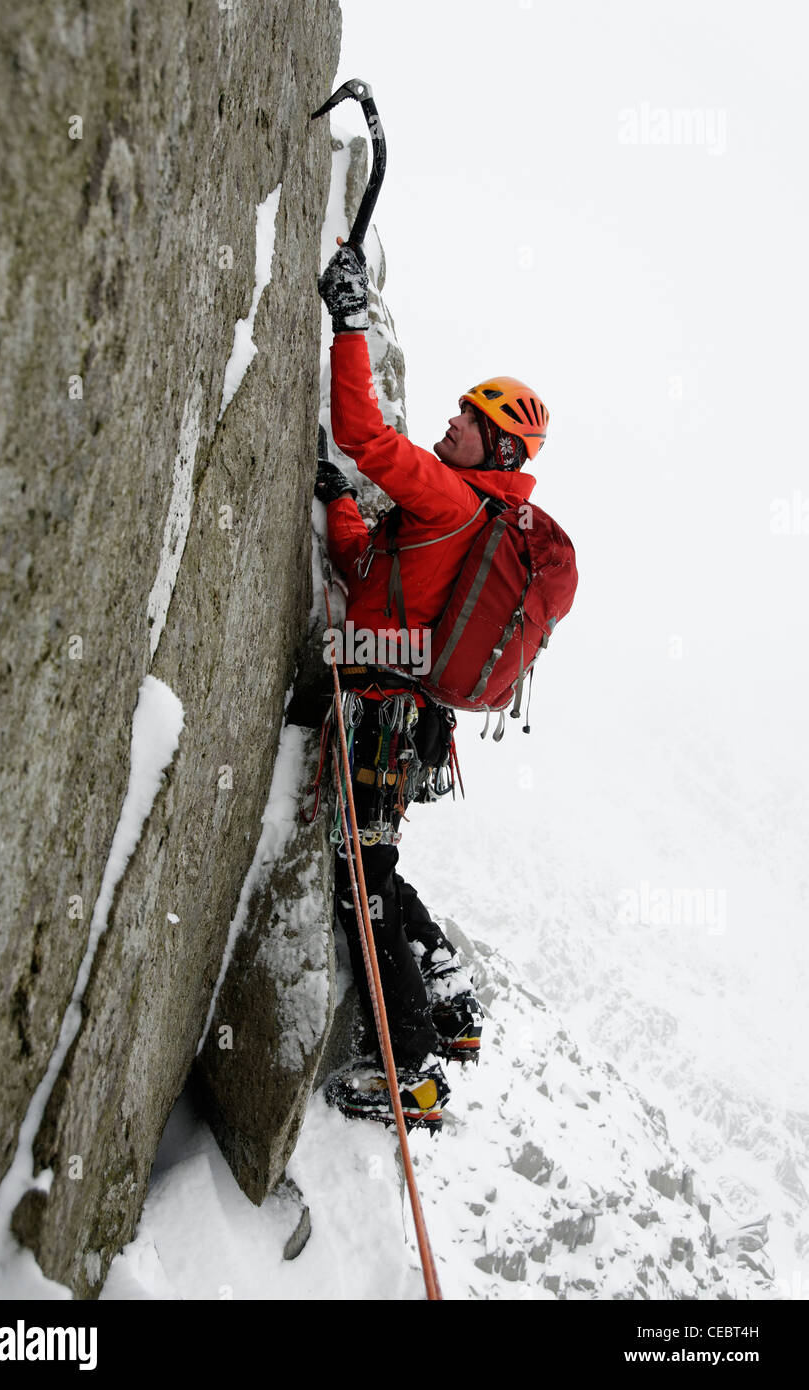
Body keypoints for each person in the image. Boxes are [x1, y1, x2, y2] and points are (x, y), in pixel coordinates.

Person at [315, 245, 549, 1130]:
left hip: (381, 713)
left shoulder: (452, 499)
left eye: (469, 418)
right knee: (372, 868)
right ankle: (442, 987)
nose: (451, 421)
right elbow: (367, 569)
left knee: (359, 882)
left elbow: (368, 437)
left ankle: (407, 1069)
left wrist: (349, 324)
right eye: (456, 410)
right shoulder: (452, 515)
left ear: (498, 446)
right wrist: (340, 500)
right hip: (396, 713)